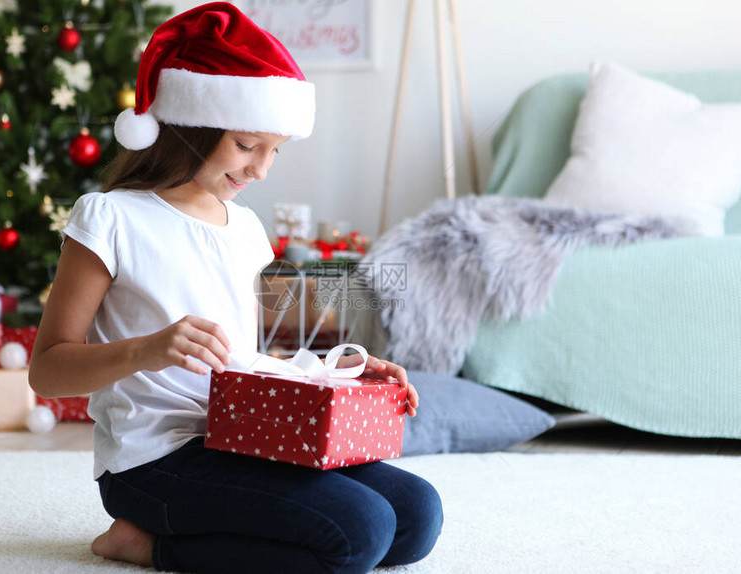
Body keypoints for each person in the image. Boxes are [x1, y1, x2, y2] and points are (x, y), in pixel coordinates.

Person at [28, 3, 442, 573]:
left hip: (241, 436)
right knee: (360, 533)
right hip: (153, 461)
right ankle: (146, 542)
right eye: (247, 146)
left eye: (274, 151)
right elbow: (47, 370)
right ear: (190, 124)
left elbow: (250, 359)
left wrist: (338, 370)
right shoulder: (110, 218)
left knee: (418, 515)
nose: (261, 169)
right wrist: (146, 350)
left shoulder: (245, 227)